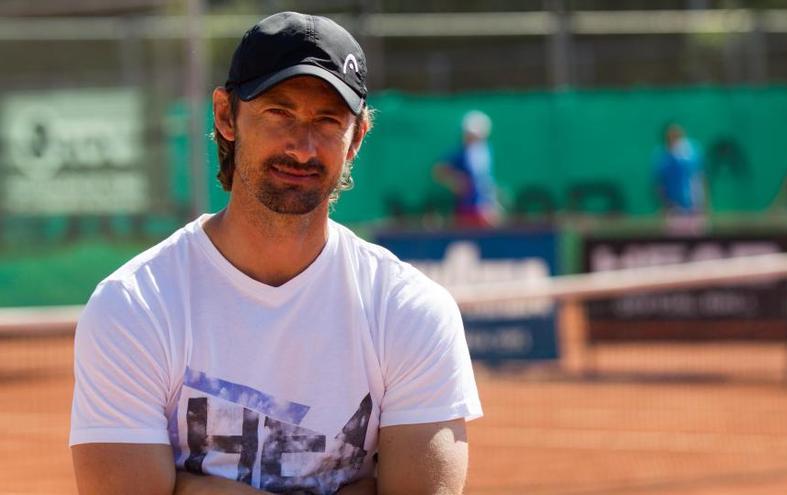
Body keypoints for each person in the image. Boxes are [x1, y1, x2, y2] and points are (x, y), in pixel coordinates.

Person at [69, 12, 482, 495]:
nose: (303, 148)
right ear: (226, 116)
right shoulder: (133, 306)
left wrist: (185, 488)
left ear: (357, 139)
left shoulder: (411, 310)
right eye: (279, 113)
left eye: (328, 121)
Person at [433, 110, 500, 228]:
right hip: (466, 209)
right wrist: (455, 182)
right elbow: (438, 170)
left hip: (485, 208)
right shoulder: (461, 152)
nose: (469, 136)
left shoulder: (486, 151)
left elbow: (485, 180)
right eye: (468, 133)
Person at [652, 122, 707, 217]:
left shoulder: (694, 152)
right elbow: (659, 185)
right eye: (671, 135)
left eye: (677, 134)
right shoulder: (661, 157)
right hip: (673, 210)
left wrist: (704, 205)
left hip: (695, 208)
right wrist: (666, 205)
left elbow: (701, 178)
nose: (675, 137)